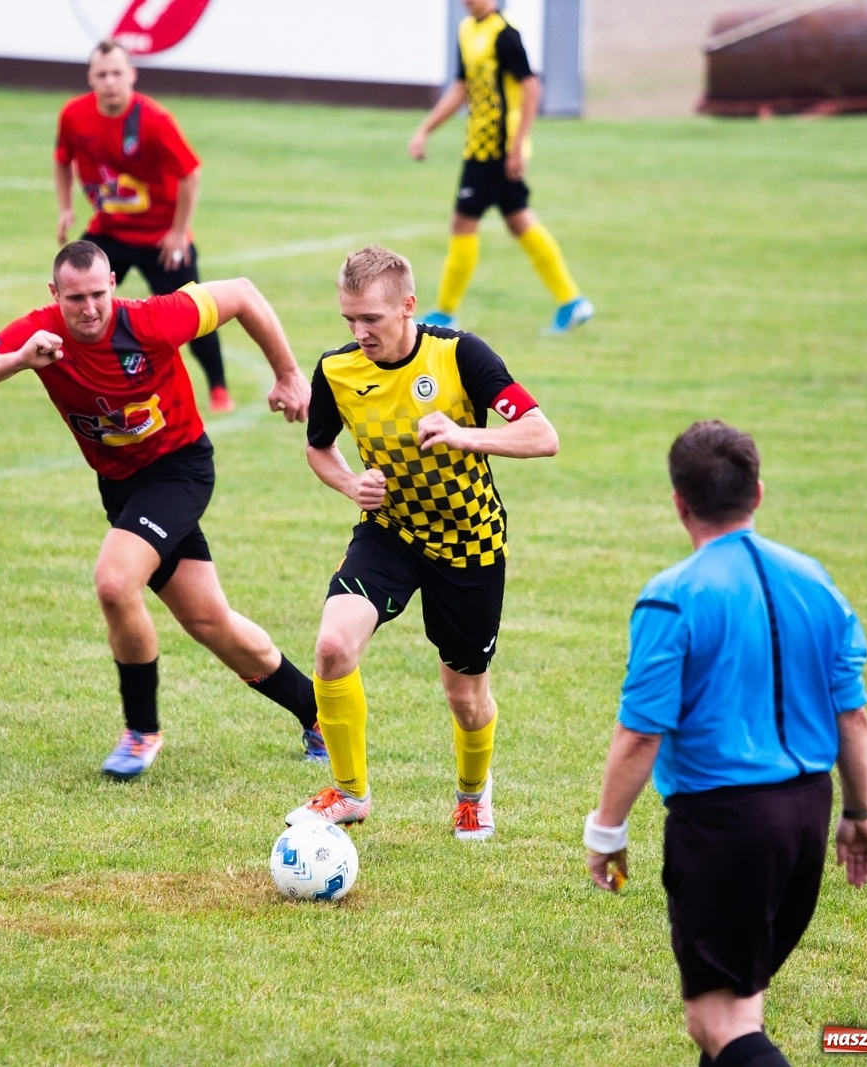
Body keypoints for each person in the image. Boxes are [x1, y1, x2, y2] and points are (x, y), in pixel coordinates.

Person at [0, 240, 324, 779]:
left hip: (179, 472)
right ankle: (319, 713)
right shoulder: (39, 331)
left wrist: (288, 374)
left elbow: (243, 295)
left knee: (115, 582)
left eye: (97, 294)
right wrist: (18, 360)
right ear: (55, 294)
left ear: (113, 284)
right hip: (123, 488)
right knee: (210, 621)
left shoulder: (152, 320)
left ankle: (141, 732)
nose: (88, 309)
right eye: (75, 299)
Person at [583, 421, 867, 1067]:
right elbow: (851, 715)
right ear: (758, 493)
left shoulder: (672, 597)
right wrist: (860, 814)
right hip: (808, 809)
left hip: (727, 822)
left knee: (721, 1020)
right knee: (741, 1007)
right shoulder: (815, 578)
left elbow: (641, 731)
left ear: (679, 502)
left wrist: (606, 828)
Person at [285, 245, 557, 835]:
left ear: (408, 306)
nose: (359, 333)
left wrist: (465, 435)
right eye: (349, 320)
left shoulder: (461, 355)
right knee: (333, 648)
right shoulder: (337, 369)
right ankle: (349, 791)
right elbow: (318, 446)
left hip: (468, 543)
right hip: (391, 532)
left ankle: (471, 794)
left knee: (465, 695)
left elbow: (542, 435)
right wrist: (350, 483)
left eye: (372, 320)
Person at [55, 40, 235, 412]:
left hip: (160, 238)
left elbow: (190, 174)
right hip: (108, 232)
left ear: (132, 75)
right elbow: (62, 160)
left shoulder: (154, 120)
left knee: (197, 312)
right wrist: (65, 208)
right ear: (90, 77)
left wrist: (177, 232)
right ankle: (66, 374)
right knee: (72, 298)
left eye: (117, 73)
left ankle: (219, 389)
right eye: (102, 74)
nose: (110, 82)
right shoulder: (73, 115)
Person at [407, 0, 593, 334]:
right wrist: (426, 128)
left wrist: (518, 146)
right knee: (520, 221)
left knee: (463, 223)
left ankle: (446, 313)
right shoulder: (466, 30)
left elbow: (532, 87)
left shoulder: (505, 35)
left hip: (496, 150)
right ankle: (571, 301)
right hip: (479, 145)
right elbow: (461, 89)